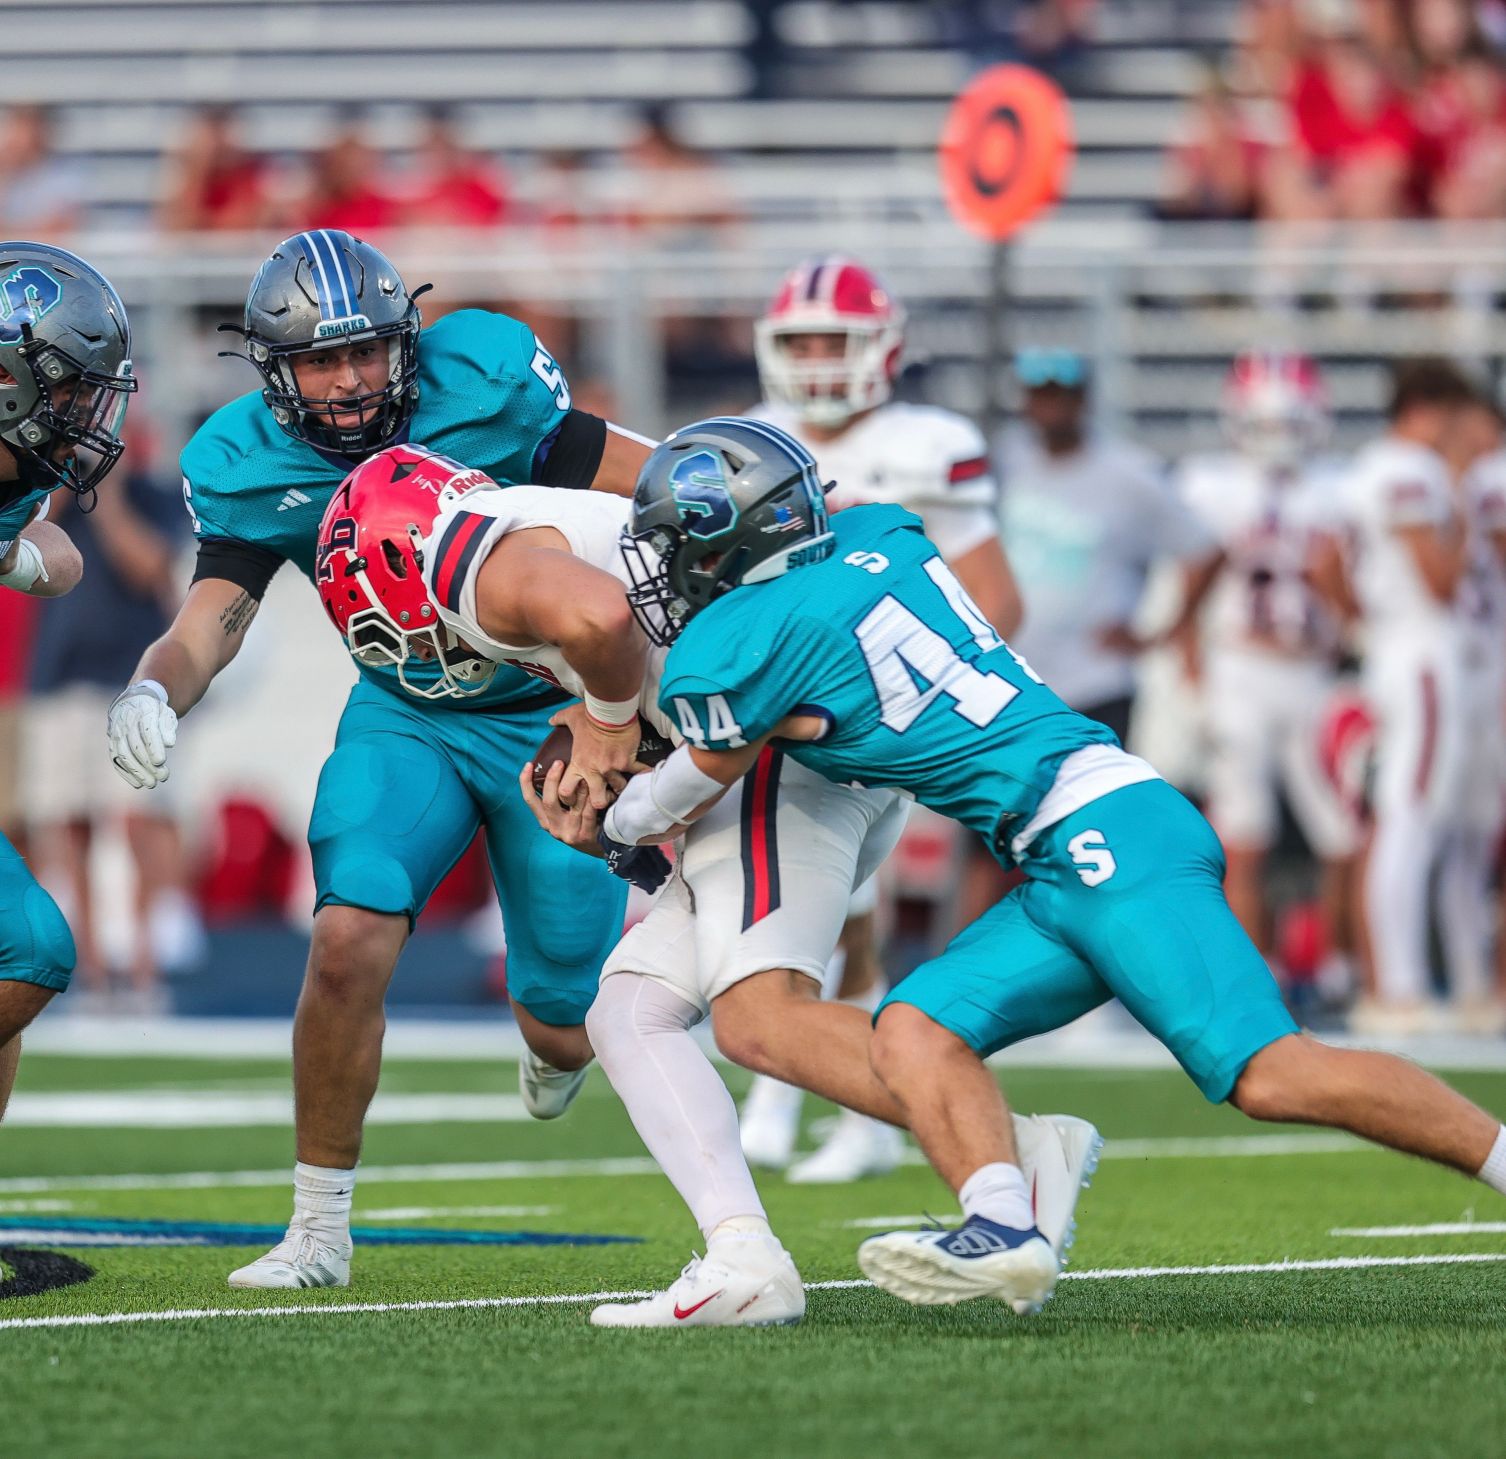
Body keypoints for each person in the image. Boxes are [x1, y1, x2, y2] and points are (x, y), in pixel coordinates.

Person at [578, 417, 1506, 1313]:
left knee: (1271, 1072)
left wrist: (614, 810)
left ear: (724, 545)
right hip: (1066, 846)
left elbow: (703, 776)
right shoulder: (880, 537)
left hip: (1102, 834)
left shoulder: (741, 641)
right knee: (912, 1029)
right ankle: (1003, 1226)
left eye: (676, 546)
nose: (667, 570)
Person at [317, 436, 1098, 1330]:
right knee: (628, 1010)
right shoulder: (531, 528)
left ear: (382, 564)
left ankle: (996, 1162)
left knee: (760, 1020)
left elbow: (607, 620)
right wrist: (623, 812)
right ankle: (750, 1249)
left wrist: (613, 746)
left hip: (787, 761)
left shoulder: (466, 561)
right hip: (791, 752)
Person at [105, 230, 654, 1290]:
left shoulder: (486, 387)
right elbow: (212, 614)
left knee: (566, 1023)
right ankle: (317, 1224)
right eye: (321, 359)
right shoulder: (248, 458)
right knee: (349, 933)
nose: (351, 379)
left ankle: (547, 1041)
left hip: (554, 715)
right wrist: (155, 687)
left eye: (367, 352)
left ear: (408, 341)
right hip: (406, 711)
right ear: (274, 370)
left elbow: (657, 486)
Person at [739, 255, 1024, 1183]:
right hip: (774, 700)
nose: (819, 360)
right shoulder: (746, 436)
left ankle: (818, 1099)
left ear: (883, 348)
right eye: (803, 342)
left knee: (838, 908)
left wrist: (930, 689)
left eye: (837, 341)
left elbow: (992, 596)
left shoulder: (929, 443)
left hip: (876, 710)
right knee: (816, 907)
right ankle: (827, 1101)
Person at [0, 241, 137, 1116]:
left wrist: (8, 551)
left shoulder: (19, 475)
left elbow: (59, 555)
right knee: (32, 946)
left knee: (19, 955)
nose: (89, 409)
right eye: (75, 386)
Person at [1175, 352, 1358, 985]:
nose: (1280, 438)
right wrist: (1188, 655)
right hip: (1240, 667)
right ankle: (1254, 975)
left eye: (1292, 422)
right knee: (1243, 833)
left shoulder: (1340, 485)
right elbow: (1190, 578)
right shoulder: (1210, 483)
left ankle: (1332, 965)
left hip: (1312, 673)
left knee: (1343, 830)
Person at [1314, 359, 1473, 1032]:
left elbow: (1322, 559)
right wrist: (1462, 507)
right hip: (1422, 651)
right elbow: (1440, 579)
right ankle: (1399, 986)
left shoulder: (1368, 467)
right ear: (1429, 409)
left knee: (1405, 815)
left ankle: (1396, 983)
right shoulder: (1412, 470)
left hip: (1394, 645)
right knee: (1410, 816)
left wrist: (1360, 618)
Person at [23, 444, 200, 1011]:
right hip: (59, 679)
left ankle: (145, 969)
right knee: (67, 824)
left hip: (130, 679)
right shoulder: (49, 496)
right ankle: (93, 975)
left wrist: (109, 496)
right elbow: (28, 551)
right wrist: (64, 489)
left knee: (141, 821)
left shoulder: (154, 492)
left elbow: (148, 566)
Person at [1001, 349, 1213, 748]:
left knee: (1090, 807)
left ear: (1083, 399)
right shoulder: (1006, 460)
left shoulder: (1128, 472)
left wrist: (1164, 632)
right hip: (1016, 679)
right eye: (1041, 394)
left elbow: (1204, 550)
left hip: (1095, 682)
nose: (1051, 406)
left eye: (1060, 394)